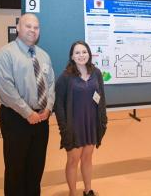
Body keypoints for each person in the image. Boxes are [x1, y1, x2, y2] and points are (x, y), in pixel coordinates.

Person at [0, 13, 55, 195]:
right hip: (16, 118)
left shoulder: (44, 56)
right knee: (16, 168)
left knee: (36, 166)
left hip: (42, 119)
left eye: (36, 27)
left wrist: (48, 108)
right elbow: (6, 89)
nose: (32, 30)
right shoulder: (5, 54)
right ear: (18, 28)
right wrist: (28, 113)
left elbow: (51, 84)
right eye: (28, 26)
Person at [54, 40, 107, 196]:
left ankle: (87, 189)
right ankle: (72, 192)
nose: (81, 55)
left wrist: (103, 120)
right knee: (73, 160)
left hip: (91, 123)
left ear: (89, 54)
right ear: (72, 56)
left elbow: (101, 97)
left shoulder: (96, 73)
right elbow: (59, 105)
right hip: (74, 125)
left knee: (88, 158)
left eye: (84, 52)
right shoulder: (65, 77)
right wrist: (64, 128)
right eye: (77, 53)